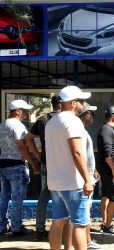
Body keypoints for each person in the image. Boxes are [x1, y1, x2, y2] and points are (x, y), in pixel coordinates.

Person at [45, 86, 93, 250]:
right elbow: (77, 152)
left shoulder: (51, 122)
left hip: (55, 183)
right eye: (81, 101)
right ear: (72, 103)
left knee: (57, 222)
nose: (83, 104)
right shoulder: (73, 121)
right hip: (73, 183)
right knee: (79, 224)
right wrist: (87, 180)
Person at [0, 99, 39, 236]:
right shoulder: (18, 125)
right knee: (17, 198)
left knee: (4, 196)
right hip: (16, 165)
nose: (26, 114)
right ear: (17, 111)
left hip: (3, 164)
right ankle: (16, 228)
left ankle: (2, 226)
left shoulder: (2, 124)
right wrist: (33, 163)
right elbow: (22, 147)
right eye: (25, 111)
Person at [26, 95, 61, 240]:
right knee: (62, 197)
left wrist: (38, 155)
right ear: (61, 103)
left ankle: (40, 230)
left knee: (44, 197)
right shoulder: (66, 120)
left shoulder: (43, 119)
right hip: (60, 165)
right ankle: (61, 230)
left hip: (46, 163)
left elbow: (28, 139)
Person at [78, 102, 104, 249]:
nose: (92, 116)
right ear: (85, 115)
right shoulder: (80, 132)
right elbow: (79, 155)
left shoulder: (81, 130)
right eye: (91, 113)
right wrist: (88, 178)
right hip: (84, 179)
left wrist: (93, 170)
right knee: (84, 211)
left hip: (86, 175)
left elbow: (85, 156)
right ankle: (86, 241)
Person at [96, 106, 114, 236]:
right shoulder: (107, 130)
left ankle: (104, 223)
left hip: (107, 170)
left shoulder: (106, 130)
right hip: (109, 170)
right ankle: (108, 227)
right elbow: (108, 154)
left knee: (106, 196)